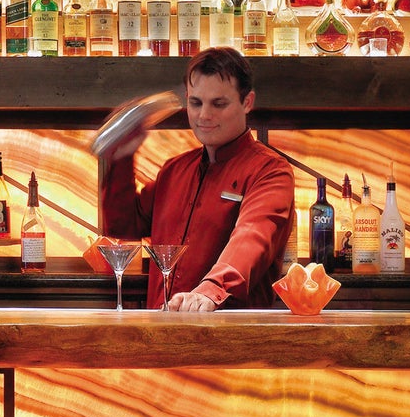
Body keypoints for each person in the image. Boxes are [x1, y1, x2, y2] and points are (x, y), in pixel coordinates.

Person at [100, 46, 294, 311]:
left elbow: (253, 236)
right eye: (196, 103)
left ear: (247, 102)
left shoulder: (271, 171)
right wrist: (121, 157)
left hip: (229, 339)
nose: (204, 115)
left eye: (219, 103)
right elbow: (123, 226)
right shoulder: (174, 170)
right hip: (161, 334)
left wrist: (211, 290)